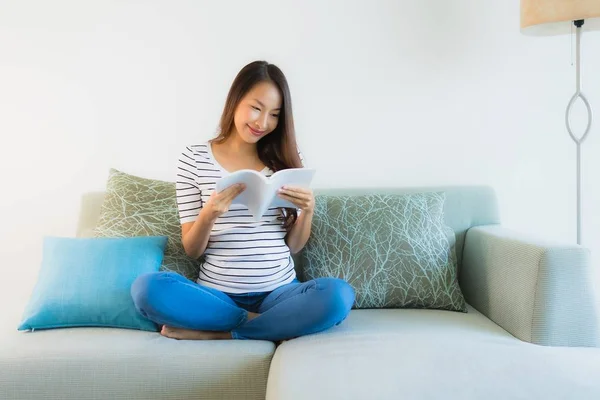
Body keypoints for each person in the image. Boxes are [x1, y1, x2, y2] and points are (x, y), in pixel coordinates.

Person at [131, 60, 355, 342]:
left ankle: (220, 334)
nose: (263, 123)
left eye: (274, 114)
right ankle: (264, 326)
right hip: (217, 295)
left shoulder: (286, 159)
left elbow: (295, 245)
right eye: (256, 108)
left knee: (338, 295)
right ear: (235, 100)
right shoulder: (194, 158)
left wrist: (307, 211)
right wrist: (210, 213)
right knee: (147, 289)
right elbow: (192, 249)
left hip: (279, 293)